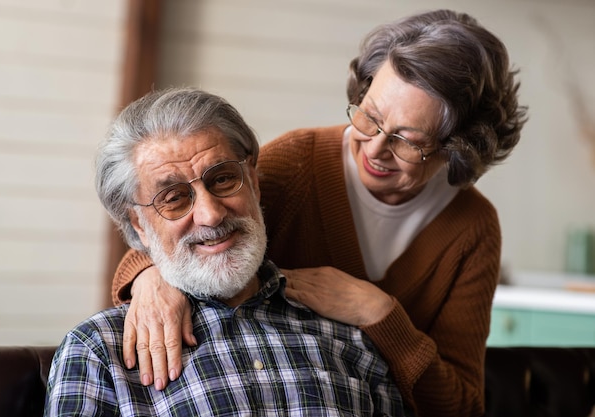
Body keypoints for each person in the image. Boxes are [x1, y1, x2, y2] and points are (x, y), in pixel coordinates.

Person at [110, 9, 528, 417]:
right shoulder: (296, 164)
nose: (374, 148)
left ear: (457, 146)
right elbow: (197, 223)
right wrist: (149, 277)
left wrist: (378, 313)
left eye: (407, 140)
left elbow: (461, 406)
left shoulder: (472, 227)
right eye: (370, 116)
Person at [44, 87, 405, 416]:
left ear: (254, 183)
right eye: (173, 199)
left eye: (222, 179)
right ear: (139, 225)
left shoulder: (351, 339)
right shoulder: (96, 354)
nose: (211, 214)